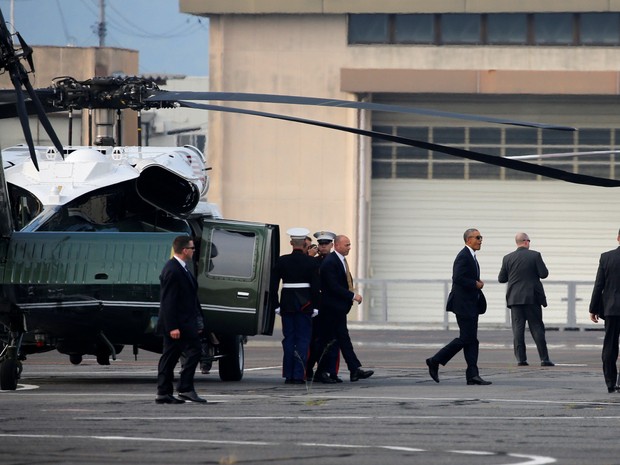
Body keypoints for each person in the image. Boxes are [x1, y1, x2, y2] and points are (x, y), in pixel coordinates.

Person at [426, 228, 491, 385]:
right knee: (466, 338)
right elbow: (458, 277)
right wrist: (475, 283)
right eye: (477, 237)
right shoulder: (463, 256)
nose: (480, 240)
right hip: (463, 305)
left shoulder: (472, 256)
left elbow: (466, 277)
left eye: (481, 237)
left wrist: (476, 282)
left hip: (471, 304)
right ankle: (435, 360)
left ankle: (472, 375)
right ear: (468, 240)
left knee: (472, 340)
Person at [156, 235, 207, 404]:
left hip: (184, 323)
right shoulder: (173, 269)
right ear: (185, 250)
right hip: (178, 325)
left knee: (172, 356)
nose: (194, 251)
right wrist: (172, 327)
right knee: (192, 351)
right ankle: (183, 388)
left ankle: (167, 392)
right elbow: (168, 300)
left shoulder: (182, 268)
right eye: (192, 248)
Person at [315, 234, 374, 382]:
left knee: (343, 339)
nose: (349, 247)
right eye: (346, 245)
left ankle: (354, 370)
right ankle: (320, 372)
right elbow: (333, 286)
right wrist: (352, 296)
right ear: (337, 245)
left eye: (349, 244)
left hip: (338, 309)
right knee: (327, 340)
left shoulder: (339, 260)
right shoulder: (330, 262)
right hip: (330, 309)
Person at [270, 227, 321, 384]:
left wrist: (276, 305)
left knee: (289, 339)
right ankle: (299, 375)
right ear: (305, 244)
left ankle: (288, 375)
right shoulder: (311, 262)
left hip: (287, 303)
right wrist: (316, 306)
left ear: (291, 243)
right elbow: (315, 287)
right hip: (305, 304)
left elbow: (273, 285)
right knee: (303, 340)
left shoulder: (282, 260)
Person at [498, 232, 554, 367]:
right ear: (526, 242)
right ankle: (544, 359)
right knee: (537, 328)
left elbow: (502, 279)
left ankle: (521, 360)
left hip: (515, 299)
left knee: (517, 329)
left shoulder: (507, 258)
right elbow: (544, 274)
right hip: (532, 298)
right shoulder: (535, 255)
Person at [306, 230, 342, 384]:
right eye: (320, 244)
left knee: (333, 341)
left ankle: (330, 371)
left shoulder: (337, 261)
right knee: (316, 341)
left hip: (331, 307)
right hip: (317, 307)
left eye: (326, 244)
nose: (323, 247)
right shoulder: (314, 262)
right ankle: (311, 370)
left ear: (332, 245)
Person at [589, 229, 620, 393]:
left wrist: (593, 308)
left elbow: (599, 285)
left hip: (611, 309)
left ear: (618, 238)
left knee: (610, 346)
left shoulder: (606, 257)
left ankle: (610, 382)